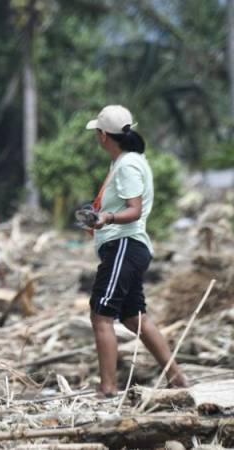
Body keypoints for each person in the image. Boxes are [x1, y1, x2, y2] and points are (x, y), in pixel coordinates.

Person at [85, 105, 188, 396]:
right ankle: (177, 378)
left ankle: (107, 389)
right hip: (127, 246)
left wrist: (108, 218)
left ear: (103, 135)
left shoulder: (128, 165)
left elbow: (134, 209)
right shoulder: (128, 161)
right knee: (133, 316)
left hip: (124, 244)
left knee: (100, 313)